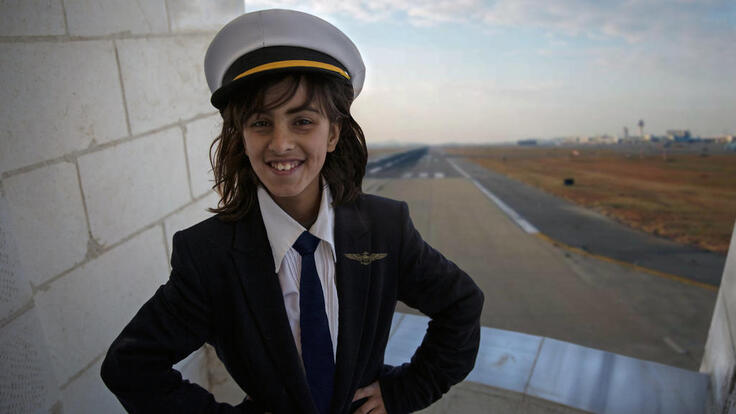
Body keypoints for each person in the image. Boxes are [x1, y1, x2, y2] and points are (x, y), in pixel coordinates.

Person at [100, 8, 483, 414]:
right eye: (261, 123)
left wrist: (406, 390)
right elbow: (131, 365)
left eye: (302, 121)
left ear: (333, 133)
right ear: (241, 138)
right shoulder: (208, 255)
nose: (281, 143)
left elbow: (461, 303)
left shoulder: (385, 229)